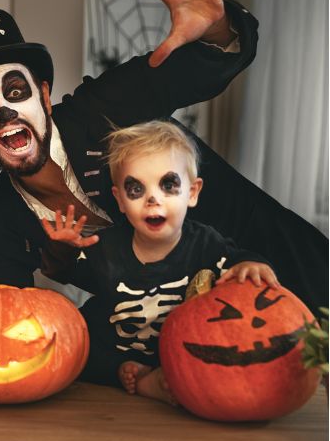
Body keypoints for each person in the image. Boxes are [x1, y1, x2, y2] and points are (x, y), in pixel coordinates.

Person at [0, 0, 328, 321]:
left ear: (46, 96)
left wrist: (214, 28)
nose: (4, 111)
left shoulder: (103, 109)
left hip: (292, 271)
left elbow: (188, 73)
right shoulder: (2, 222)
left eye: (16, 91)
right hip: (188, 347)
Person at [40, 120, 278, 403]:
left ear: (192, 192)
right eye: (136, 189)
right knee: (77, 349)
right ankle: (130, 375)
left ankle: (153, 377)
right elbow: (68, 271)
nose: (153, 198)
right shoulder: (107, 245)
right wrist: (63, 248)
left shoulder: (204, 243)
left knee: (209, 355)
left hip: (175, 351)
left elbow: (235, 258)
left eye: (168, 185)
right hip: (109, 347)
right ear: (119, 200)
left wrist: (251, 262)